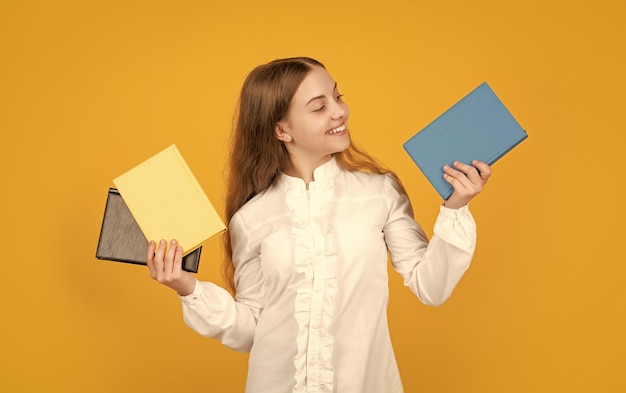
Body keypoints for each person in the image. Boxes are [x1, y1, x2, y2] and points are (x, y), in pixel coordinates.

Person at [146, 57, 491, 393]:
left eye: (338, 97)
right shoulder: (250, 218)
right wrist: (187, 288)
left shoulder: (378, 193)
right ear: (282, 130)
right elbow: (251, 331)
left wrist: (456, 206)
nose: (339, 111)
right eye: (318, 106)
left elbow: (431, 286)